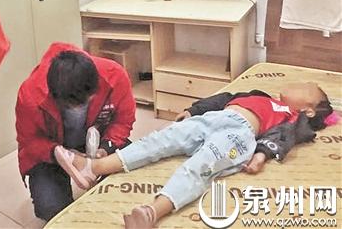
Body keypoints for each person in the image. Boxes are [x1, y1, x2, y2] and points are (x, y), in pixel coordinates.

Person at [54, 82, 335, 228]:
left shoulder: (293, 118)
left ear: (309, 109)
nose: (296, 85)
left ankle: (152, 212)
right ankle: (95, 167)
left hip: (239, 134)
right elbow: (221, 99)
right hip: (211, 119)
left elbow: (285, 138)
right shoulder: (258, 94)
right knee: (158, 140)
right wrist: (193, 110)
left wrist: (261, 154)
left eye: (305, 88)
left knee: (201, 166)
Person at [15, 42, 137, 221]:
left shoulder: (114, 75)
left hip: (100, 140)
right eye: (73, 105)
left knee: (133, 177)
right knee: (50, 208)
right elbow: (29, 141)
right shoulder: (30, 95)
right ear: (55, 96)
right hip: (51, 151)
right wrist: (57, 153)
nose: (81, 107)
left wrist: (104, 150)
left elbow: (123, 121)